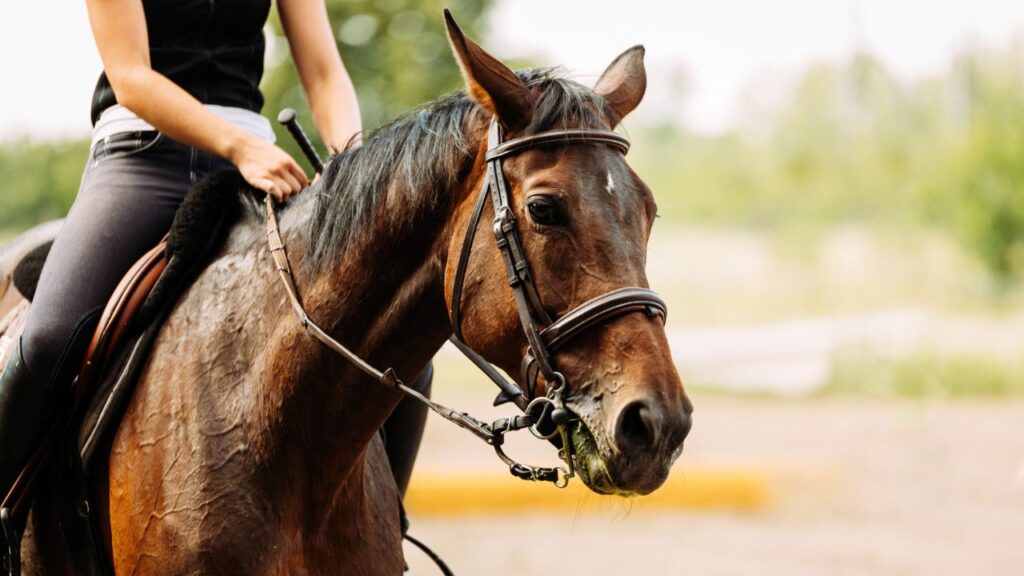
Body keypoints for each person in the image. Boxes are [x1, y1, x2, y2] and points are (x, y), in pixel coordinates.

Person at [0, 0, 430, 523]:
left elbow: (322, 72)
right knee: (49, 337)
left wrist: (350, 167)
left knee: (401, 332)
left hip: (259, 166)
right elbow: (132, 76)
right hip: (142, 155)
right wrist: (240, 147)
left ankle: (385, 523)